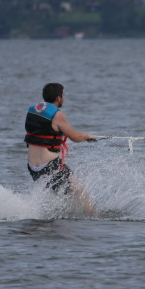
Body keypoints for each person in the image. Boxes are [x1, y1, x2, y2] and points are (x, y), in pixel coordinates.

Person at [24, 83, 97, 215]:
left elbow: (44, 130)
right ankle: (95, 219)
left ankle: (52, 220)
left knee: (61, 195)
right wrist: (87, 136)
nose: (64, 98)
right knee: (80, 193)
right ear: (58, 98)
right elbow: (75, 137)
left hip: (32, 167)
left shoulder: (32, 110)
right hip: (50, 166)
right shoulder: (57, 115)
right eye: (63, 95)